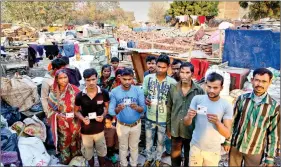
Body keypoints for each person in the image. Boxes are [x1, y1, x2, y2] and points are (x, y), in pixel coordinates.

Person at [223, 68, 280, 167]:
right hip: (236, 146)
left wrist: (270, 157)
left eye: (264, 81)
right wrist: (228, 140)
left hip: (255, 150)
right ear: (252, 80)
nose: (260, 84)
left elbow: (274, 134)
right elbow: (232, 121)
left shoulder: (274, 107)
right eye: (257, 80)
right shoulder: (242, 99)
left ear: (270, 82)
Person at [184, 72, 233, 166]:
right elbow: (186, 123)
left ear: (221, 88)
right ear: (205, 84)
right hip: (196, 147)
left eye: (215, 88)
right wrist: (189, 116)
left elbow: (227, 133)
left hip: (212, 151)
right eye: (209, 86)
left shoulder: (226, 105)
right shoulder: (197, 99)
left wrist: (217, 122)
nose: (211, 90)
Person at [166, 62, 205, 167]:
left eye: (187, 72)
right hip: (176, 129)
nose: (184, 75)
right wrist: (168, 128)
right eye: (182, 72)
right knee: (175, 157)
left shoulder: (199, 90)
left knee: (190, 157)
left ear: (192, 73)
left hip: (191, 130)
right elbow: (169, 108)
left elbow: (202, 113)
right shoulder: (173, 88)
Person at [142, 54, 177, 167]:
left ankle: (157, 159)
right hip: (150, 116)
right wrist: (145, 100)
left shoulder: (172, 82)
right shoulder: (148, 78)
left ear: (168, 67)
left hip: (163, 118)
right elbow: (144, 94)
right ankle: (148, 158)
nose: (160, 69)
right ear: (155, 65)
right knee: (148, 140)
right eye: (158, 66)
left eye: (163, 67)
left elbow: (174, 101)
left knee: (161, 141)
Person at [109, 68, 145, 167]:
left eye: (129, 79)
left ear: (132, 78)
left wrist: (137, 108)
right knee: (123, 147)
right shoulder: (114, 92)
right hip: (122, 125)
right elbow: (111, 111)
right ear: (120, 78)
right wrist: (118, 109)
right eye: (124, 79)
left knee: (134, 147)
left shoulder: (138, 90)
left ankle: (133, 164)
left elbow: (144, 109)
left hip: (136, 125)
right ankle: (123, 164)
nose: (127, 82)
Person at [74, 68, 109, 167]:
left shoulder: (103, 93)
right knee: (89, 155)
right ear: (84, 80)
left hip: (99, 130)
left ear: (97, 78)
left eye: (93, 79)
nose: (91, 82)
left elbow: (107, 107)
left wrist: (102, 116)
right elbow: (75, 111)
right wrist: (82, 119)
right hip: (86, 131)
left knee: (102, 154)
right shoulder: (80, 96)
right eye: (88, 80)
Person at [47, 69, 81, 165]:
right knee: (64, 141)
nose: (63, 80)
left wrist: (77, 112)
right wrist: (58, 115)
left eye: (65, 77)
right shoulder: (53, 93)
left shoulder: (75, 90)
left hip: (75, 121)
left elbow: (82, 105)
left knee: (75, 140)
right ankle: (66, 161)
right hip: (62, 123)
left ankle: (76, 161)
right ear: (56, 80)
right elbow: (50, 110)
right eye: (60, 78)